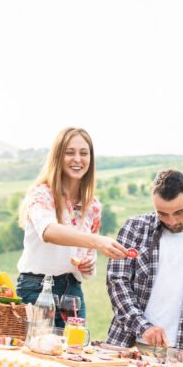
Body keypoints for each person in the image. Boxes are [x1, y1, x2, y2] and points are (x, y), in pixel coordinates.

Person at [106, 169, 183, 361]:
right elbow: (117, 282)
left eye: (179, 212)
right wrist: (143, 326)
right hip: (129, 345)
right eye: (162, 213)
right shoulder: (134, 229)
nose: (172, 221)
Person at [16, 127, 127, 328]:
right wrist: (98, 241)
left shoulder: (92, 206)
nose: (77, 159)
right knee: (36, 353)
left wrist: (87, 265)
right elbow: (48, 231)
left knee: (74, 355)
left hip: (73, 292)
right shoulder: (40, 194)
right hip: (36, 289)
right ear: (58, 156)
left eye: (84, 153)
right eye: (70, 152)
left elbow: (87, 256)